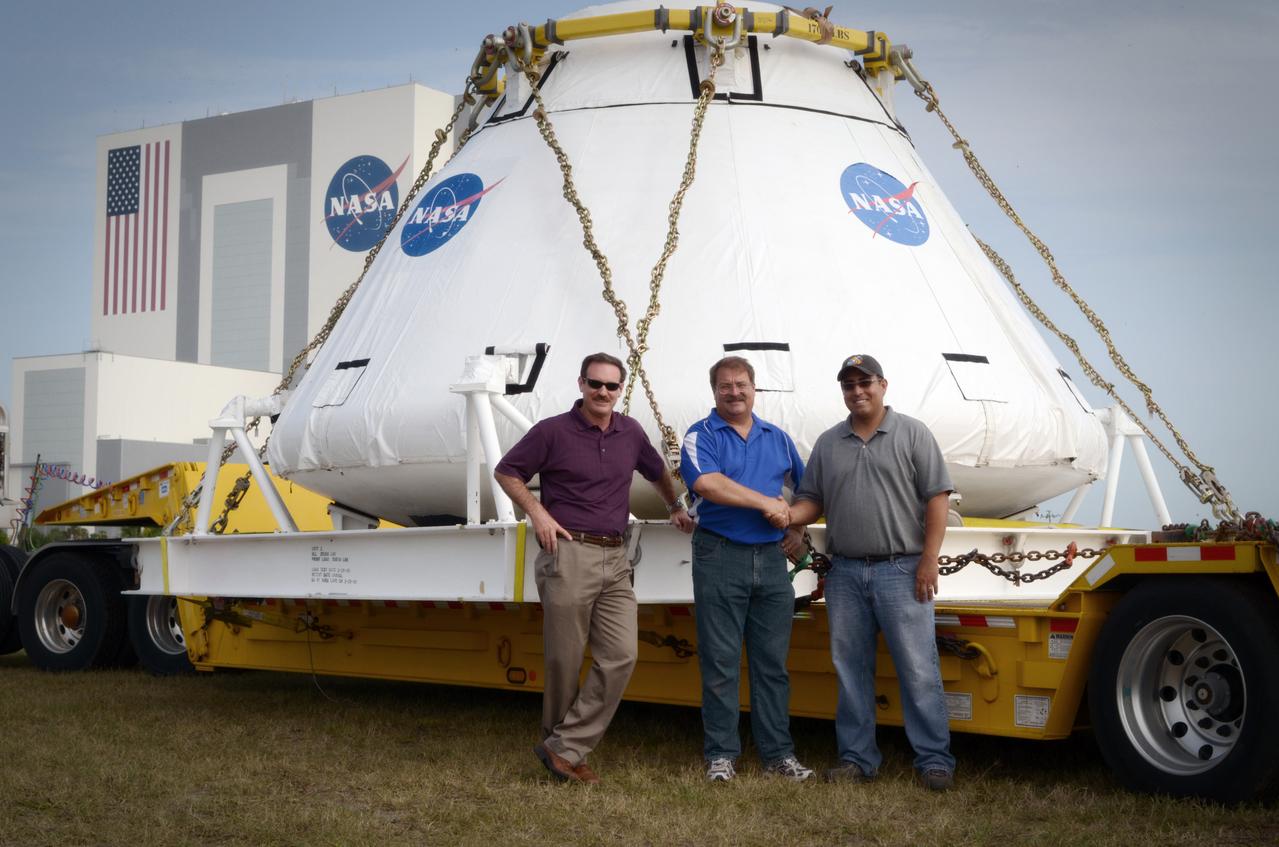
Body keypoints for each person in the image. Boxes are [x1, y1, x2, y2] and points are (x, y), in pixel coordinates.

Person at [495, 352, 694, 784]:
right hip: (569, 553)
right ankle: (567, 754)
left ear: (621, 390)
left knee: (622, 655)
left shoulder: (630, 431)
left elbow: (657, 471)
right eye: (595, 384)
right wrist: (538, 513)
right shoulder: (552, 431)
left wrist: (674, 505)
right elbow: (506, 471)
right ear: (581, 384)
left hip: (616, 556)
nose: (603, 392)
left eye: (611, 386)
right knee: (564, 661)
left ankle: (562, 747)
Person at [789, 354, 957, 791]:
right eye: (848, 385)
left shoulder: (913, 433)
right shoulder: (828, 443)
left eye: (865, 382)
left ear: (883, 385)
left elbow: (938, 498)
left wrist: (928, 559)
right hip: (844, 572)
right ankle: (857, 759)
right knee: (851, 670)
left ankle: (934, 760)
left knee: (919, 669)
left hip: (903, 569)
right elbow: (811, 501)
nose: (857, 391)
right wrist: (785, 517)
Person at [679, 355, 814, 782]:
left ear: (755, 389)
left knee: (771, 664)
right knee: (719, 662)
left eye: (741, 385)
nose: (734, 392)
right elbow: (706, 484)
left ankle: (778, 755)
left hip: (772, 561)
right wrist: (767, 504)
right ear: (714, 391)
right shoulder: (701, 435)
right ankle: (721, 755)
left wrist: (795, 523)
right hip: (719, 555)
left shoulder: (778, 437)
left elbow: (809, 491)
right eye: (725, 386)